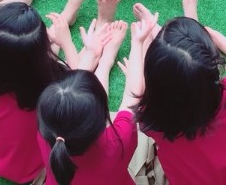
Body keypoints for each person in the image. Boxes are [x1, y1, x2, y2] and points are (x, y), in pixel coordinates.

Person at [0, 1, 110, 183]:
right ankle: (91, 34)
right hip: (33, 168)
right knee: (78, 74)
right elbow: (81, 83)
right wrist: (68, 44)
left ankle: (75, 22)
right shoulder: (53, 87)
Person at [133, 11, 226, 185]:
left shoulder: (152, 119)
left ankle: (165, 36)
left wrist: (141, 44)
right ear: (213, 63)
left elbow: (146, 88)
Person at [36, 13, 151, 185]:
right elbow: (133, 94)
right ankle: (104, 63)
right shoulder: (117, 142)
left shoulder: (46, 136)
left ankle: (105, 62)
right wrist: (138, 43)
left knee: (83, 96)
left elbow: (78, 94)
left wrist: (91, 54)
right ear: (103, 118)